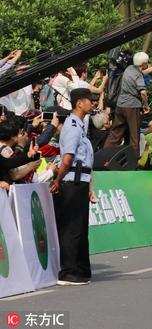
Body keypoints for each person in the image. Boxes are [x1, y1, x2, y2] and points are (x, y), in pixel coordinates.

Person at [50, 88, 96, 285]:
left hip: (81, 181)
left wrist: (89, 186)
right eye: (90, 100)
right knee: (71, 228)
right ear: (79, 103)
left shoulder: (80, 125)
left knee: (80, 228)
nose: (93, 104)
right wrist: (58, 180)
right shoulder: (72, 126)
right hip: (71, 181)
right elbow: (67, 159)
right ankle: (68, 271)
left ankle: (82, 269)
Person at [106, 52, 152, 152]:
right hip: (132, 106)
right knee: (134, 135)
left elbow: (139, 73)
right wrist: (146, 106)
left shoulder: (128, 69)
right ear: (143, 64)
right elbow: (143, 92)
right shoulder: (138, 76)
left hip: (120, 105)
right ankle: (134, 160)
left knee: (115, 133)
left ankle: (104, 155)